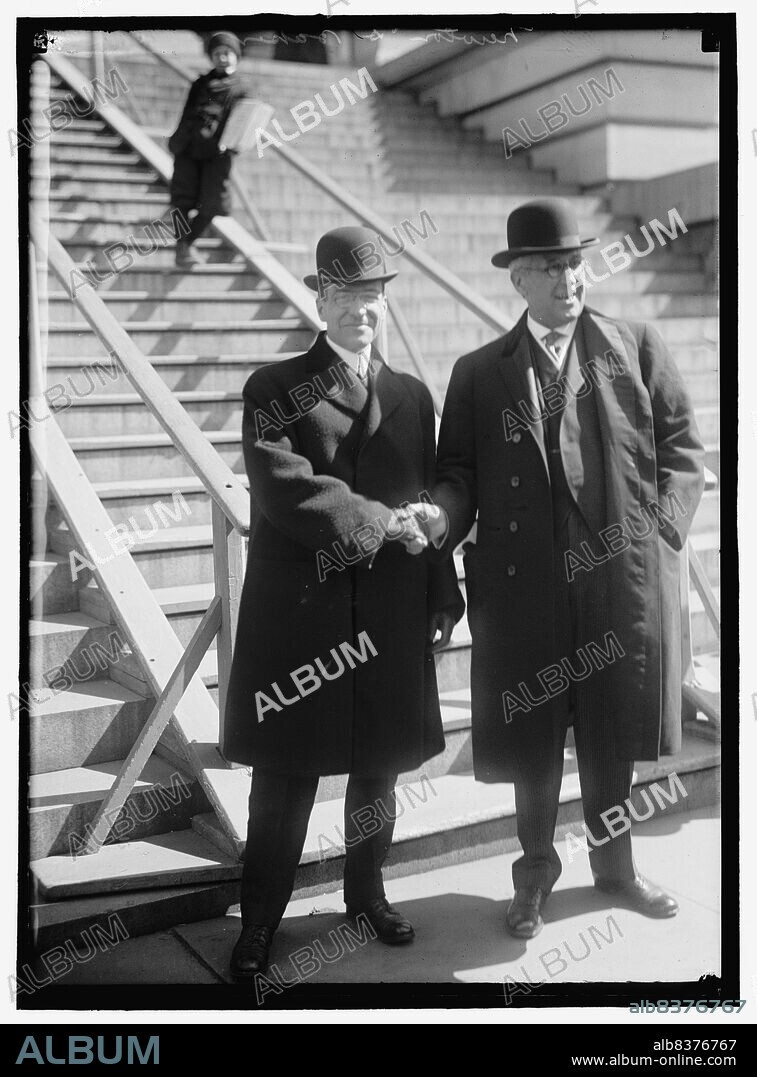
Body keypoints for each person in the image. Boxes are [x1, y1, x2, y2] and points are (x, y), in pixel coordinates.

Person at [405, 198, 705, 939]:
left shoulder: (633, 343)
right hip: (524, 587)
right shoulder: (480, 373)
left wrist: (660, 532)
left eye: (573, 263)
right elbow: (459, 472)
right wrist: (441, 515)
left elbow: (683, 450)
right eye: (547, 267)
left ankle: (616, 869)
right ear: (518, 282)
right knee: (535, 738)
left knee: (610, 729)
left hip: (618, 581)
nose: (567, 280)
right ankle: (533, 876)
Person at [223, 226, 464, 979]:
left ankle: (365, 896)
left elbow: (426, 490)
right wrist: (385, 524)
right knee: (284, 780)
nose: (364, 308)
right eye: (349, 294)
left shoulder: (410, 394)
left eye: (374, 295)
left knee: (380, 769)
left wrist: (438, 582)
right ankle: (260, 922)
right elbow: (286, 488)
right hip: (302, 615)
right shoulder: (274, 387)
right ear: (320, 298)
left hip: (389, 610)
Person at [167, 31, 248, 268]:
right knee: (181, 201)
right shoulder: (200, 83)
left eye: (227, 53)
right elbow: (186, 114)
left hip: (218, 153)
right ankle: (182, 246)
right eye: (217, 54)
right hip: (189, 148)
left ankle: (189, 241)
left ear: (236, 56)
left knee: (213, 203)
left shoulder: (242, 88)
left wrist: (233, 144)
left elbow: (247, 120)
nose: (223, 58)